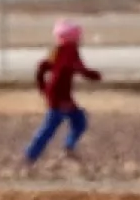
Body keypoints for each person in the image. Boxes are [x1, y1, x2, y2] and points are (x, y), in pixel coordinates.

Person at [23, 19, 102, 170]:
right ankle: (30, 155)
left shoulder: (57, 50)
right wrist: (94, 75)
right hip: (60, 96)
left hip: (58, 94)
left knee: (79, 120)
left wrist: (43, 88)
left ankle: (68, 147)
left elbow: (42, 67)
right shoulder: (70, 50)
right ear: (72, 38)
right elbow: (77, 68)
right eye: (78, 36)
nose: (80, 39)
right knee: (52, 126)